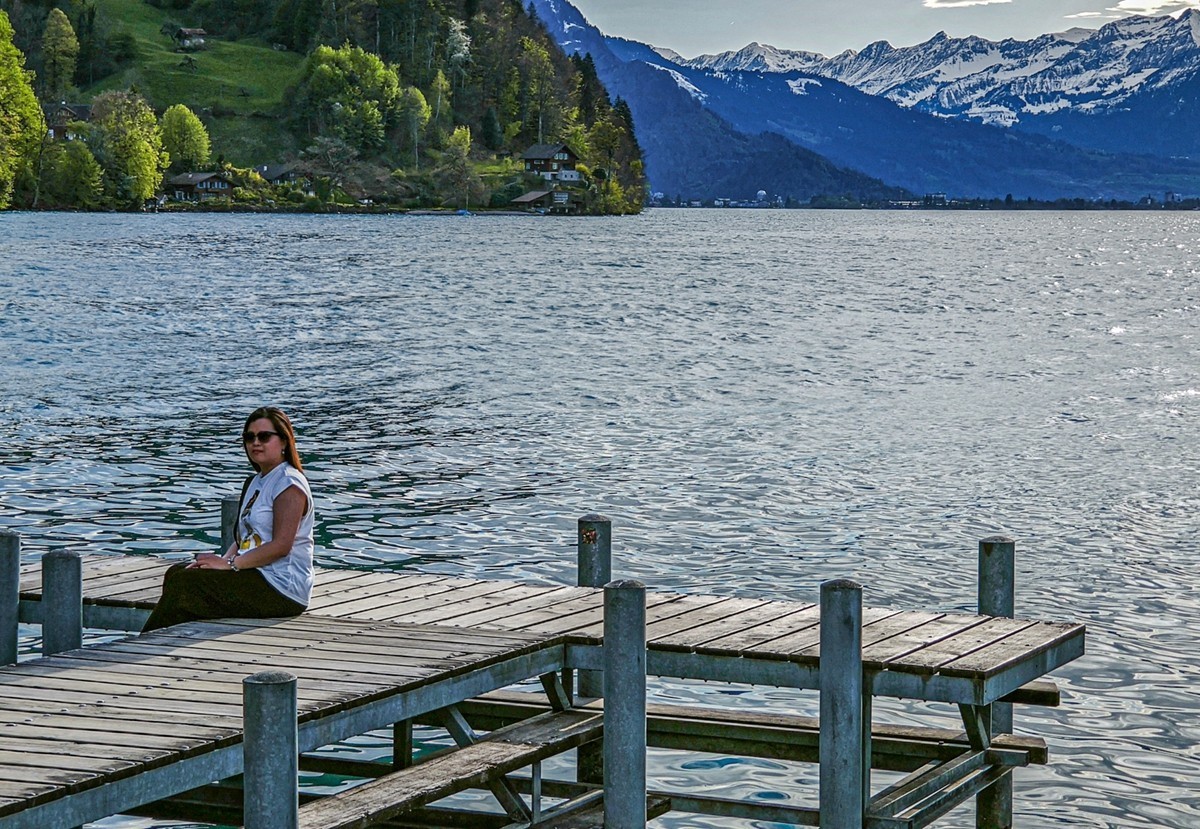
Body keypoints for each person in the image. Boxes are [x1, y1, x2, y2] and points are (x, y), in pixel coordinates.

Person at [142, 407, 315, 632]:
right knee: (178, 573)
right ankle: (171, 639)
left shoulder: (288, 484)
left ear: (283, 441)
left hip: (282, 587)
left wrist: (229, 565)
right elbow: (245, 537)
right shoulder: (256, 481)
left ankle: (146, 640)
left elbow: (281, 546)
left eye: (264, 436)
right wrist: (220, 563)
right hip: (255, 574)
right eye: (249, 437)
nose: (255, 443)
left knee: (187, 585)